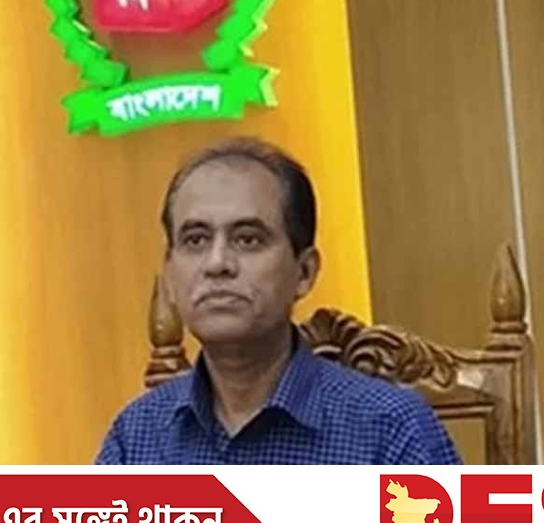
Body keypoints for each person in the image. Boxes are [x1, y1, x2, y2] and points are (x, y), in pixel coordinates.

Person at [96, 137, 460, 464]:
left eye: (248, 239)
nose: (217, 263)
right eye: (195, 240)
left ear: (304, 272)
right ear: (170, 273)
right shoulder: (136, 437)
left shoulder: (391, 428)